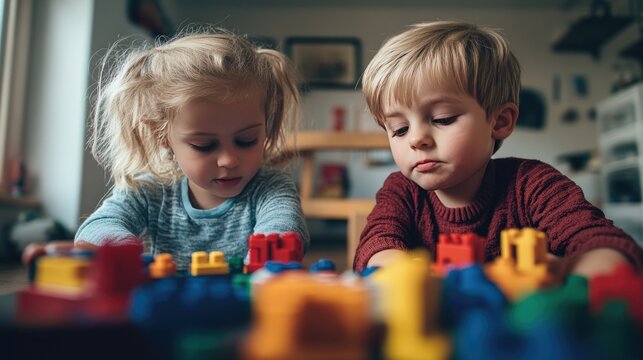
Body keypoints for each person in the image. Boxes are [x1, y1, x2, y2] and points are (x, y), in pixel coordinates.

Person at [354, 20, 643, 277]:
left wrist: (570, 269)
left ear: (500, 121)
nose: (416, 139)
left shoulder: (532, 184)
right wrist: (403, 275)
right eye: (399, 129)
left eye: (442, 119)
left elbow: (603, 243)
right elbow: (377, 246)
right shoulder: (401, 191)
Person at [75, 30, 309, 271]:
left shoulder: (270, 189)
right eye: (205, 146)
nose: (228, 160)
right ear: (161, 136)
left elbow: (284, 233)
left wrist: (261, 270)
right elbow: (97, 227)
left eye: (246, 140)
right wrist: (127, 252)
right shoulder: (149, 191)